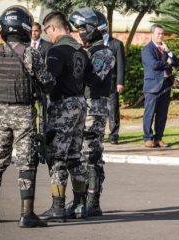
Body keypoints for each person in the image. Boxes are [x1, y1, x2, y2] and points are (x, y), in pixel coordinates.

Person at [0, 5, 54, 228]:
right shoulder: (30, 53)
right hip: (23, 112)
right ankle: (27, 214)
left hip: (0, 112)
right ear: (24, 26)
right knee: (26, 162)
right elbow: (48, 81)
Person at [38, 11, 89, 222]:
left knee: (58, 157)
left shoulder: (56, 50)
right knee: (75, 157)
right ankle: (79, 205)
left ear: (52, 28)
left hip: (63, 107)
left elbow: (48, 79)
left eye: (46, 31)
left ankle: (58, 207)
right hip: (79, 103)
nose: (47, 36)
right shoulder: (81, 51)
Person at [68, 7, 115, 218]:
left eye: (82, 28)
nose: (80, 32)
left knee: (91, 154)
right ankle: (79, 199)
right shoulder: (85, 51)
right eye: (78, 29)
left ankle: (92, 201)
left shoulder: (104, 52)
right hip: (81, 107)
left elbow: (94, 78)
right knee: (78, 155)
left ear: (93, 28)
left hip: (94, 108)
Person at [141, 24, 178, 148]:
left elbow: (176, 62)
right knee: (150, 113)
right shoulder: (147, 49)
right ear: (152, 34)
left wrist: (169, 52)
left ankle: (159, 138)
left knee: (162, 114)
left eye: (162, 33)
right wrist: (168, 63)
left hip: (166, 85)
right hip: (152, 86)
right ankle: (148, 138)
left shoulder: (165, 48)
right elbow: (154, 65)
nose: (161, 36)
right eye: (158, 33)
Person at [103, 26, 125, 145]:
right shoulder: (95, 44)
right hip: (98, 83)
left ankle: (114, 135)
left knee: (113, 109)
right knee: (99, 109)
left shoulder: (116, 44)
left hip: (111, 82)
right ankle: (99, 133)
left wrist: (120, 82)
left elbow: (121, 65)